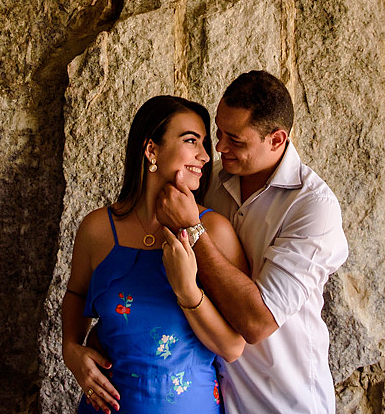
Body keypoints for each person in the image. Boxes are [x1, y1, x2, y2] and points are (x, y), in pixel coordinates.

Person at [156, 71, 349, 414]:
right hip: (214, 399)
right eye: (218, 132)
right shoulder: (211, 180)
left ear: (276, 140)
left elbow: (258, 322)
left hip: (284, 403)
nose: (218, 148)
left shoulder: (312, 208)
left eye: (235, 140)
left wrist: (193, 226)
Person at [61, 95, 248, 413]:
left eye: (204, 143)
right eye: (192, 141)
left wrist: (188, 291)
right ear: (151, 150)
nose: (205, 155)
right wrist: (70, 350)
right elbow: (76, 294)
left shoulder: (215, 231)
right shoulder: (97, 228)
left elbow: (232, 348)